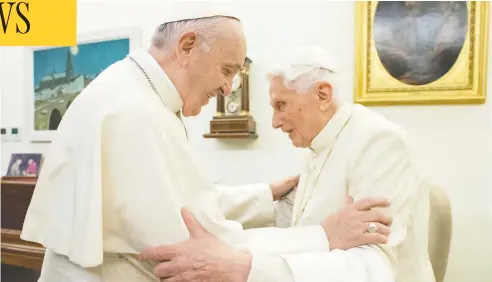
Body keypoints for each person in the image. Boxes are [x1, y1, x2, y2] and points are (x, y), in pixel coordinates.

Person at [20, 11, 392, 282]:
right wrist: (323, 237)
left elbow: (187, 203)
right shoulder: (131, 111)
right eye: (227, 70)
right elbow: (199, 249)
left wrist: (265, 193)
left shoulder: (136, 93)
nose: (228, 89)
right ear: (187, 47)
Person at [139, 46, 435, 282]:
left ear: (322, 94)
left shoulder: (379, 143)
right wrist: (225, 243)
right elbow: (300, 225)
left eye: (281, 105)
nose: (275, 122)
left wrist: (245, 268)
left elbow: (373, 268)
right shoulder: (320, 144)